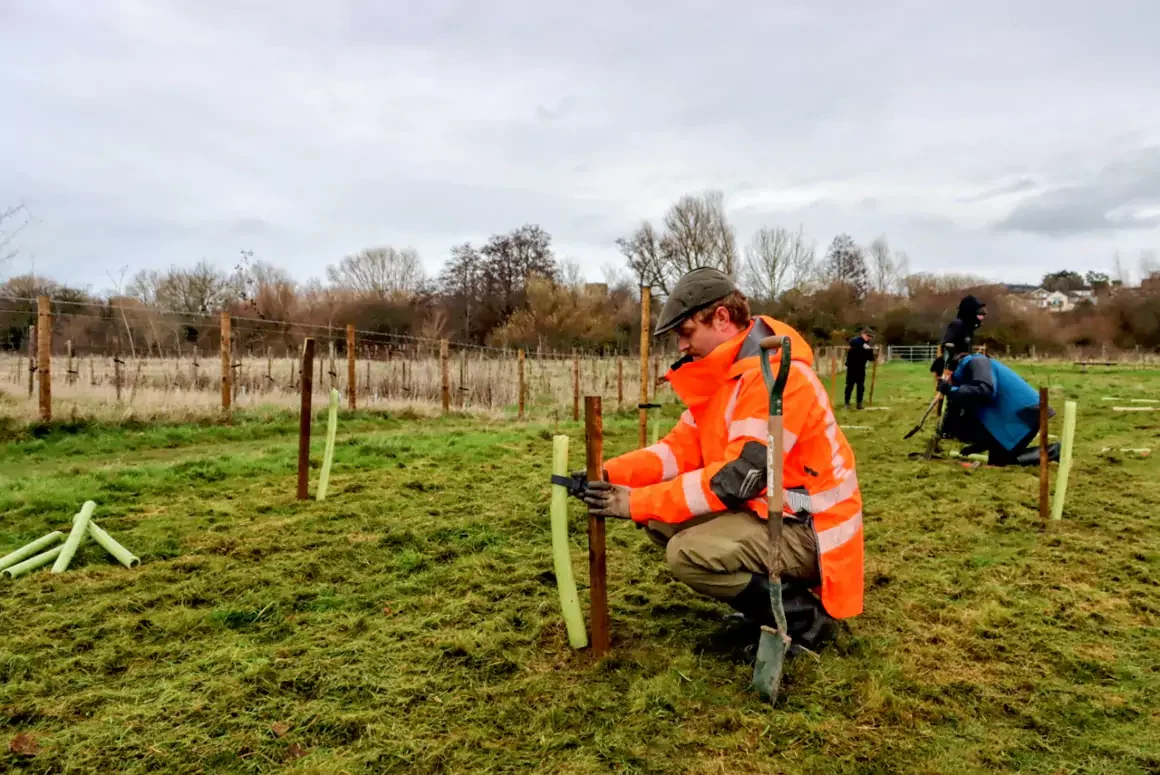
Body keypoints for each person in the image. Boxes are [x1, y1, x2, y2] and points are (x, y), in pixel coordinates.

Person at [578, 267, 864, 655]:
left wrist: (634, 501)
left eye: (687, 333)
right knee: (661, 519)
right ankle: (763, 610)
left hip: (812, 532)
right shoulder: (726, 380)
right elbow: (675, 452)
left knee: (687, 554)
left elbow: (736, 480)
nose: (681, 346)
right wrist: (606, 473)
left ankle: (802, 621)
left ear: (723, 319)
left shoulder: (779, 377)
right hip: (769, 514)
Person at [938, 350, 1060, 466]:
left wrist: (950, 389)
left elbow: (986, 390)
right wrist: (978, 446)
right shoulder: (967, 378)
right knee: (996, 460)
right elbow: (982, 420)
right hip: (1011, 417)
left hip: (1026, 415)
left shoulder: (977, 361)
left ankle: (1054, 451)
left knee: (1003, 462)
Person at [931, 295, 987, 377]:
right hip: (948, 370)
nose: (981, 314)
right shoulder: (957, 325)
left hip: (962, 367)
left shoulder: (969, 328)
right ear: (969, 311)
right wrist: (952, 363)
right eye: (977, 311)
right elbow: (946, 345)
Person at [844, 328, 875, 410]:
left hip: (861, 368)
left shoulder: (867, 345)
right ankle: (847, 403)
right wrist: (862, 345)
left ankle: (859, 403)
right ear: (863, 334)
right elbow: (852, 343)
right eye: (868, 336)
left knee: (860, 386)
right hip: (852, 367)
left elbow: (870, 358)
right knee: (849, 386)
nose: (869, 338)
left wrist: (873, 352)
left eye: (870, 337)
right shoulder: (856, 341)